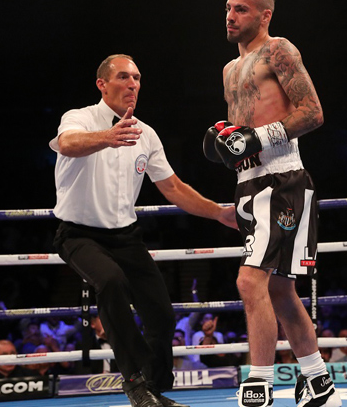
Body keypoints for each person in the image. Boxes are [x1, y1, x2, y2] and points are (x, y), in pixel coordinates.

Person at [50, 54, 237, 407]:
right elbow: (67, 144)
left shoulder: (145, 134)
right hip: (78, 234)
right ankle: (134, 381)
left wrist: (219, 214)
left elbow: (174, 188)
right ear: (102, 84)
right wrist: (107, 136)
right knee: (111, 282)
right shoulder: (80, 119)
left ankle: (153, 388)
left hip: (126, 237)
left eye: (137, 78)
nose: (133, 84)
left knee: (162, 316)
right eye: (123, 77)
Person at [203, 0, 341, 407]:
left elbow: (313, 112)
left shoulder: (279, 49)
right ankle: (319, 384)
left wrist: (257, 137)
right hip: (249, 184)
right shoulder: (230, 69)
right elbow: (244, 141)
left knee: (250, 281)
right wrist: (230, 146)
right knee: (280, 291)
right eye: (228, 8)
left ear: (264, 15)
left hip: (282, 180)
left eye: (241, 9)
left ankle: (257, 387)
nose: (230, 16)